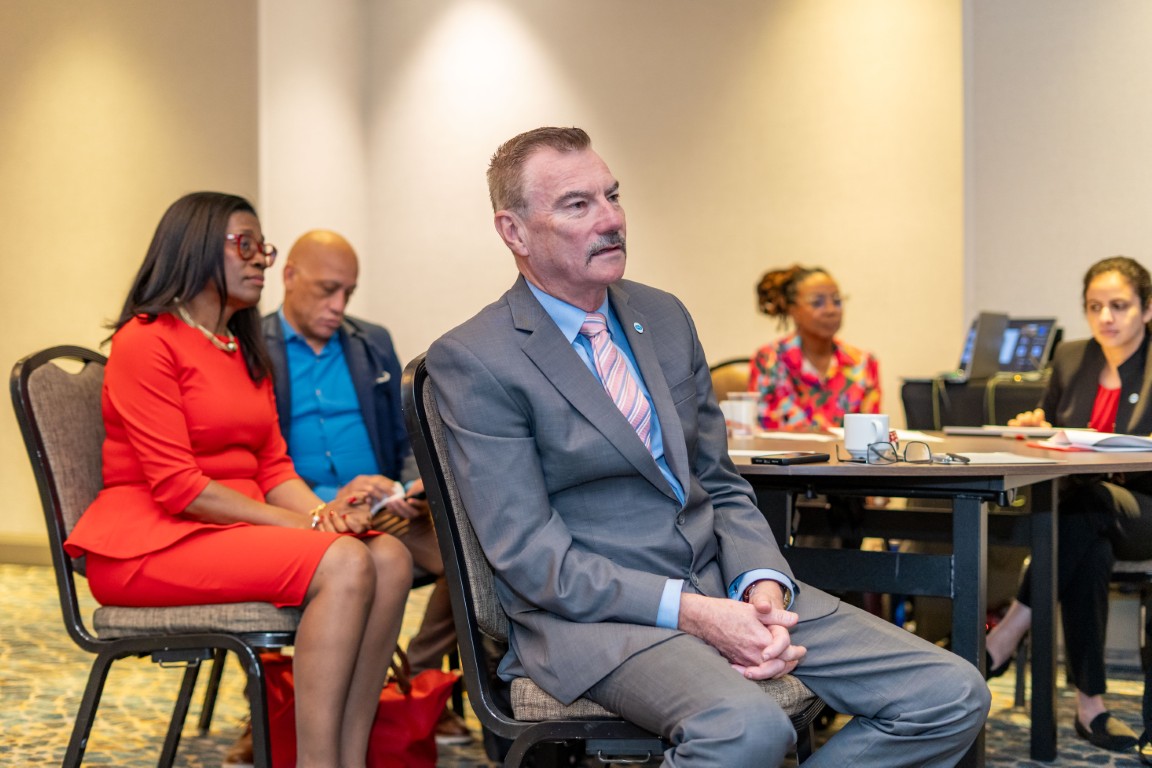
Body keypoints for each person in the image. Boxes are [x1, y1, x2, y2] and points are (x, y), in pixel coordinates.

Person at [425, 126, 989, 766]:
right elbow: (531, 557)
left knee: (950, 693)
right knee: (747, 731)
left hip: (726, 586)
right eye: (578, 205)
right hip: (597, 622)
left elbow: (718, 481)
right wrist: (691, 612)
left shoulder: (663, 316)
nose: (611, 219)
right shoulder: (477, 357)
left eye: (613, 196)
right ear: (515, 232)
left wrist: (761, 581)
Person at [63, 192, 411, 768]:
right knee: (345, 561)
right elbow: (180, 488)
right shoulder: (145, 340)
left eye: (262, 249)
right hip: (149, 543)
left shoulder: (239, 346)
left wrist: (324, 515)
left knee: (391, 556)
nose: (259, 261)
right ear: (194, 246)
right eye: (244, 245)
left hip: (225, 532)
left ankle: (349, 758)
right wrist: (309, 525)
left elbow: (273, 467)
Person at [262, 229, 470, 744]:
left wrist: (410, 485)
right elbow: (254, 457)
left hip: (380, 507)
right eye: (327, 290)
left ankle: (412, 679)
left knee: (473, 551)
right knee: (333, 575)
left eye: (348, 293)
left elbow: (406, 435)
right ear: (289, 276)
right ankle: (274, 709)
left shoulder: (370, 342)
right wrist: (319, 505)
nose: (339, 306)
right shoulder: (254, 347)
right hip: (300, 513)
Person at [985, 255, 1152, 757]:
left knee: (1084, 508)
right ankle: (1090, 707)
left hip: (1144, 510)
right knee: (1087, 544)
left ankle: (1007, 632)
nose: (1106, 317)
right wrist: (1038, 427)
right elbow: (1058, 431)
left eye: (1119, 305)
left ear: (1147, 310)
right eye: (1094, 306)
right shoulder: (1072, 357)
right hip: (1085, 510)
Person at [749, 265, 880, 432]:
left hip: (846, 451)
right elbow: (763, 428)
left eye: (837, 301)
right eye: (817, 303)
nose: (831, 310)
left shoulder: (863, 362)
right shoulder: (769, 360)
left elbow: (872, 431)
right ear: (793, 310)